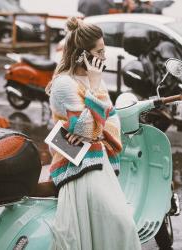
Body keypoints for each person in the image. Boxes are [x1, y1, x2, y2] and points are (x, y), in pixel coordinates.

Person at [46, 16, 141, 250]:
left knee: (122, 225)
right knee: (120, 223)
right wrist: (96, 88)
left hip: (98, 158)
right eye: (99, 52)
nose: (104, 57)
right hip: (76, 162)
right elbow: (86, 128)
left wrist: (95, 127)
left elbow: (112, 120)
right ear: (82, 54)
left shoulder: (89, 80)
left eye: (103, 50)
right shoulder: (65, 84)